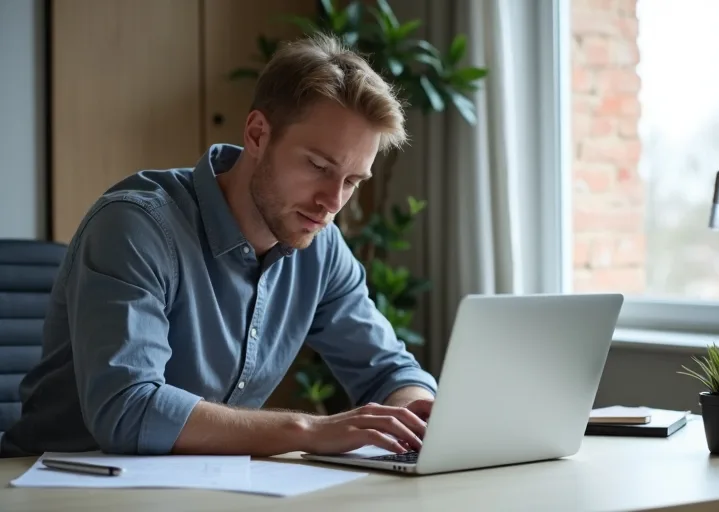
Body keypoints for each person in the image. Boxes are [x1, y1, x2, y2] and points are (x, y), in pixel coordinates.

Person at [0, 33, 437, 458]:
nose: (332, 202)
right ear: (257, 134)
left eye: (352, 182)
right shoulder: (135, 227)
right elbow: (127, 410)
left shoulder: (320, 248)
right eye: (318, 166)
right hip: (60, 488)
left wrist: (417, 413)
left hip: (206, 491)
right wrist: (309, 430)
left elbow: (388, 371)